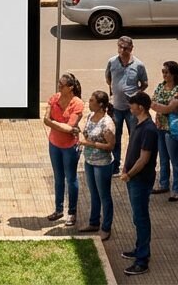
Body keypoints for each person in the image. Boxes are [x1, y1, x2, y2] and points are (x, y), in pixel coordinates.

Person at [117, 91, 158, 277]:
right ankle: (139, 248)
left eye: (132, 104)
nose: (130, 107)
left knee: (141, 218)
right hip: (133, 178)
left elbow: (143, 159)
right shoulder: (138, 124)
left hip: (140, 180)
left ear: (140, 107)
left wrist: (129, 174)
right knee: (137, 217)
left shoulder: (149, 129)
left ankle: (142, 259)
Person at [41, 73, 84, 226]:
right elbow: (46, 119)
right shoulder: (54, 98)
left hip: (69, 147)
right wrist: (62, 126)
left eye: (62, 85)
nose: (59, 87)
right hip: (54, 144)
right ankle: (58, 209)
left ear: (70, 87)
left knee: (71, 178)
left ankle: (72, 212)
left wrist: (52, 123)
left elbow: (70, 127)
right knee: (58, 177)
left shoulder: (77, 104)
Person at [75, 90, 116, 240]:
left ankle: (106, 227)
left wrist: (89, 143)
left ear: (100, 105)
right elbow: (86, 133)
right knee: (94, 194)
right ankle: (93, 222)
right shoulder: (90, 116)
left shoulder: (107, 123)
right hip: (89, 161)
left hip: (102, 164)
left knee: (104, 195)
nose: (89, 102)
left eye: (92, 101)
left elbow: (111, 146)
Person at [105, 36, 148, 167]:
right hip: (116, 107)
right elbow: (108, 78)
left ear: (131, 48)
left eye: (126, 48)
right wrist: (114, 90)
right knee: (115, 137)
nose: (122, 50)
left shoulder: (138, 65)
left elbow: (144, 83)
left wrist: (136, 94)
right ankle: (115, 164)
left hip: (132, 110)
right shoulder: (112, 62)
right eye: (120, 47)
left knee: (134, 137)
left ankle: (132, 163)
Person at [150, 61, 178, 201]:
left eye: (167, 72)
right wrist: (161, 106)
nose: (164, 75)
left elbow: (167, 108)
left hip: (172, 130)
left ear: (174, 74)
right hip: (160, 127)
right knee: (163, 158)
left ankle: (177, 189)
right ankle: (163, 183)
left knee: (175, 159)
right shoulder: (161, 86)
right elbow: (154, 104)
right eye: (163, 72)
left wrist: (158, 106)